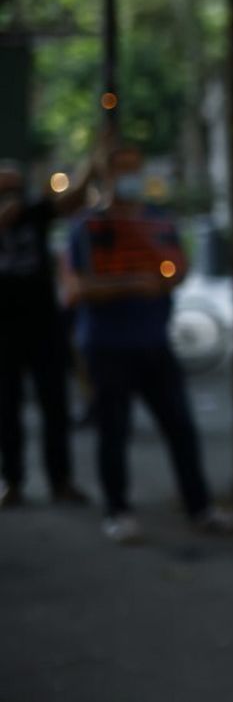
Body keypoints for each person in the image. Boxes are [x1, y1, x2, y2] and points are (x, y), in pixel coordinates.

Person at [61, 145, 233, 543]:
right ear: (106, 177)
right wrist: (130, 284)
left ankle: (200, 507)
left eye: (135, 169)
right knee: (113, 432)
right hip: (107, 347)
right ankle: (117, 511)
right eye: (122, 169)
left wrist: (166, 277)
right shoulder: (87, 228)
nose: (131, 177)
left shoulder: (158, 221)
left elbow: (179, 268)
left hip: (155, 344)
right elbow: (77, 289)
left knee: (181, 429)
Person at [0, 157, 94, 508]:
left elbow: (73, 197)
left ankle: (61, 481)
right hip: (4, 332)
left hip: (43, 327)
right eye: (3, 188)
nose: (10, 195)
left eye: (14, 187)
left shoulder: (35, 212)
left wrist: (94, 160)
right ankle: (13, 481)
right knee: (7, 411)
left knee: (55, 406)